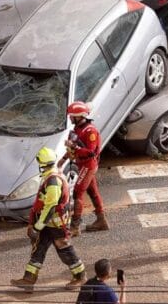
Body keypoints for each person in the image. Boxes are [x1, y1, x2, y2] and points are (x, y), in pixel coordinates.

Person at [11, 146, 86, 292]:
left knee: (64, 249)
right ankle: (29, 279)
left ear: (42, 165)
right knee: (39, 248)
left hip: (55, 223)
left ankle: (80, 277)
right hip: (48, 222)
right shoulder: (52, 173)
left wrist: (38, 226)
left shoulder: (53, 181)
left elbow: (50, 207)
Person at [62, 101, 108, 237]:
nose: (70, 118)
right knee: (93, 191)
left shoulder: (90, 131)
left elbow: (91, 152)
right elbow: (72, 147)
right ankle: (102, 221)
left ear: (79, 116)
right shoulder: (77, 129)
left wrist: (75, 148)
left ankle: (75, 227)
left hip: (88, 165)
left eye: (72, 116)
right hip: (82, 165)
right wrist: (63, 160)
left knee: (77, 193)